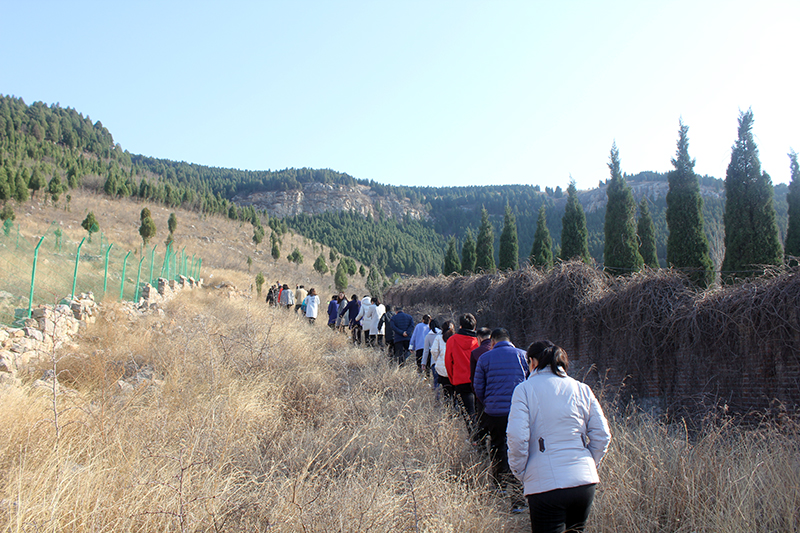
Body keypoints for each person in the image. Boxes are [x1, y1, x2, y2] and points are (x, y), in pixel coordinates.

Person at [507, 342, 611, 533]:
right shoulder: (582, 389)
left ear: (532, 361)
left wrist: (522, 472)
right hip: (584, 482)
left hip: (544, 484)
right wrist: (588, 462)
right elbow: (603, 435)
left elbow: (516, 437)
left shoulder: (524, 390)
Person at [473, 328, 528, 485]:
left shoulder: (484, 358)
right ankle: (517, 483)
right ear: (509, 339)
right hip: (518, 411)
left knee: (497, 446)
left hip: (494, 411)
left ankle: (499, 483)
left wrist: (488, 403)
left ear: (492, 341)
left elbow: (478, 387)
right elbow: (529, 383)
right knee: (518, 446)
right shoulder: (523, 356)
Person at [445, 313, 480, 431]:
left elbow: (448, 363)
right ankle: (483, 440)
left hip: (460, 382)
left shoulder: (452, 340)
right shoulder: (478, 341)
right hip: (478, 381)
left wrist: (452, 379)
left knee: (468, 414)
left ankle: (474, 441)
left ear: (460, 326)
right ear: (474, 327)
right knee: (480, 412)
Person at [470, 327, 493, 448]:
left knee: (482, 427)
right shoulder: (501, 351)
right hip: (502, 398)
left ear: (478, 338)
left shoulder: (476, 353)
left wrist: (478, 396)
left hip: (482, 397)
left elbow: (474, 379)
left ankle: (482, 452)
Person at [432, 321, 455, 401]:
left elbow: (434, 351)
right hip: (454, 368)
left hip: (442, 368)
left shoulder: (439, 338)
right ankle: (455, 408)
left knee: (446, 390)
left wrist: (437, 360)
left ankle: (447, 408)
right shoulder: (455, 338)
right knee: (455, 391)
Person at [421, 319, 441, 384]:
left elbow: (426, 351)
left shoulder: (428, 336)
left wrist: (423, 362)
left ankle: (436, 393)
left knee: (436, 381)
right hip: (443, 361)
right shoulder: (442, 334)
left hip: (434, 361)